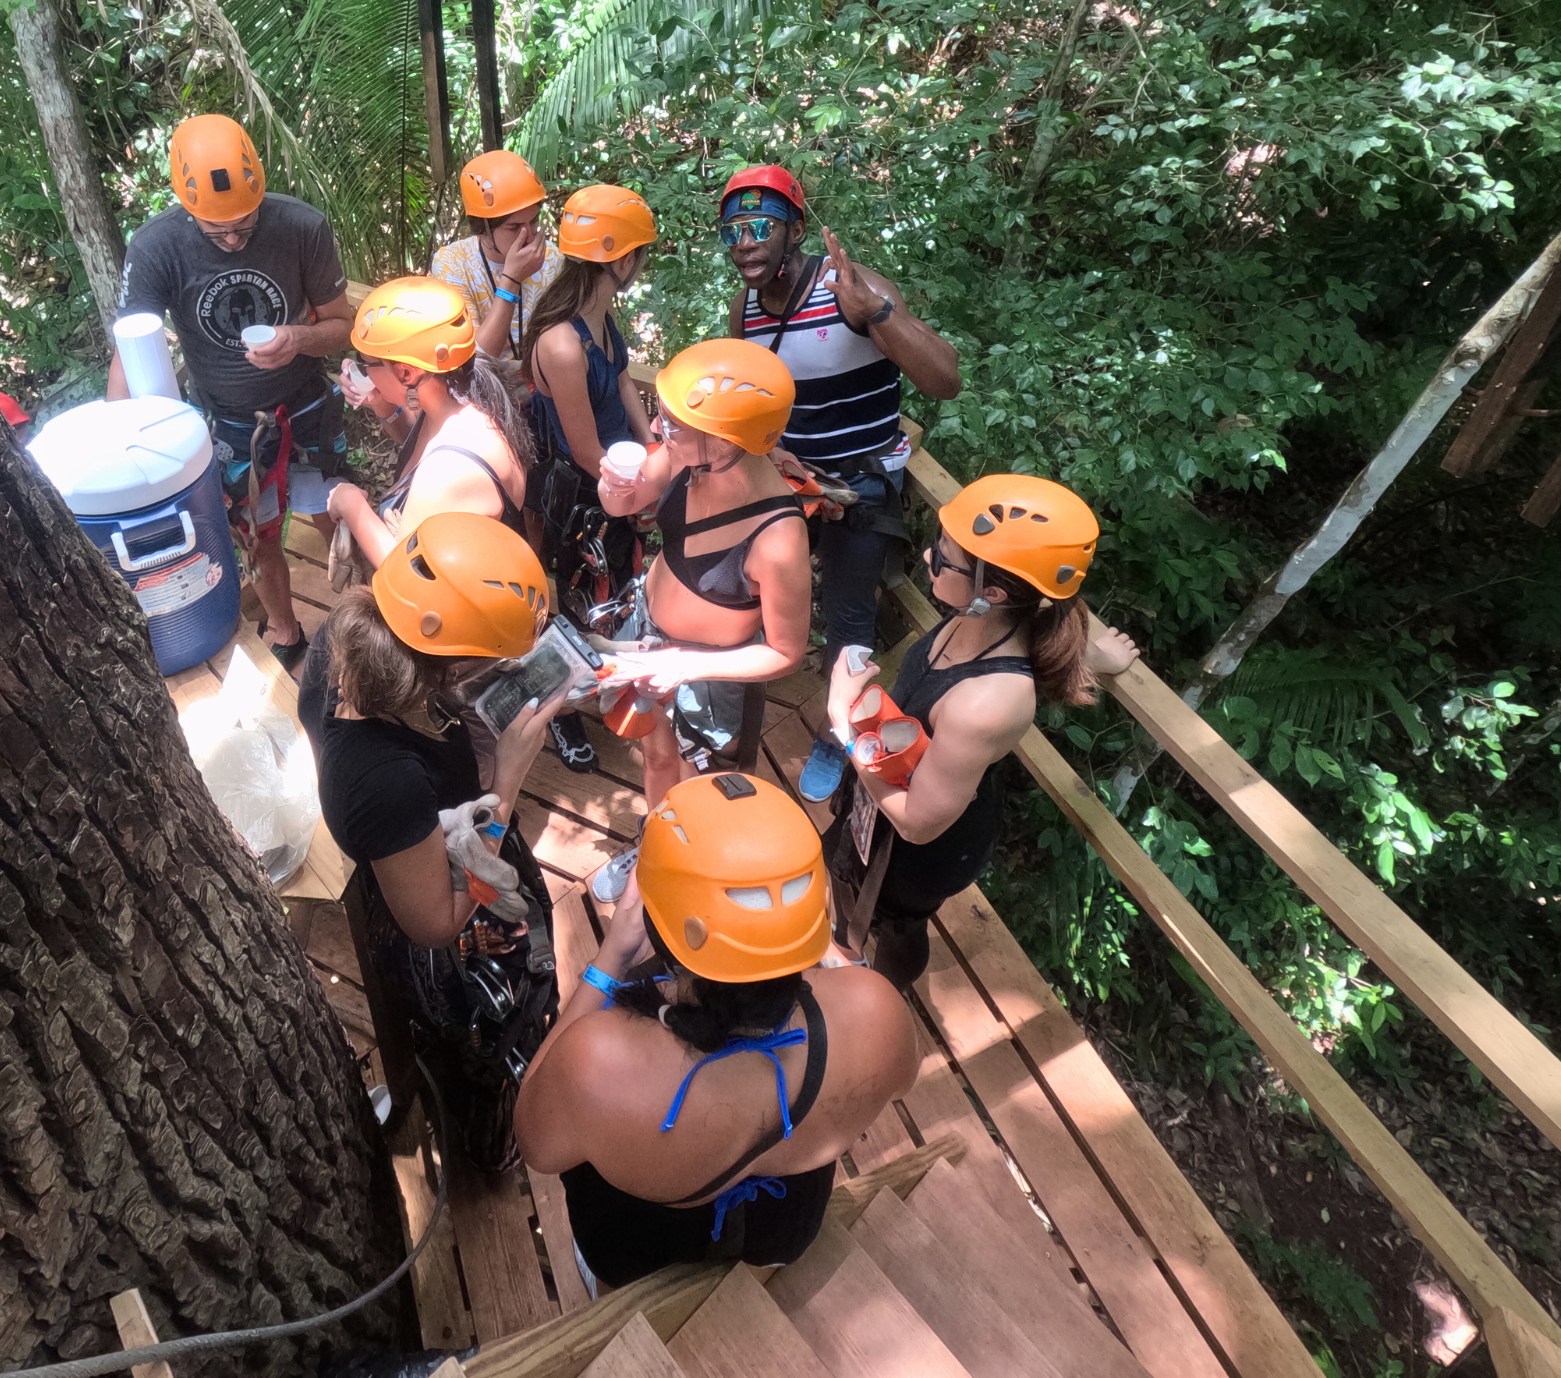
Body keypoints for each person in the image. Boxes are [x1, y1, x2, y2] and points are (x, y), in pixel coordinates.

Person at [514, 771, 921, 1291]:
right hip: (785, 1222)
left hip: (639, 1242)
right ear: (815, 911)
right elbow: (902, 1081)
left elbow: (535, 1142)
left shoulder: (597, 1062)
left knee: (630, 1286)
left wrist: (611, 957)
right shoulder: (877, 1010)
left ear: (656, 927)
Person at [298, 513, 567, 1169]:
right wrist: (507, 783)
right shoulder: (385, 781)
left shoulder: (344, 636)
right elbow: (439, 924)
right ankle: (490, 1139)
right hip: (443, 899)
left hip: (415, 839)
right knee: (488, 1028)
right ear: (453, 664)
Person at [821, 473, 1140, 985]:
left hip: (922, 834)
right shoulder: (994, 617)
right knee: (844, 873)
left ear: (991, 591)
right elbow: (1050, 638)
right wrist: (1096, 658)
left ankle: (884, 992)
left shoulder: (987, 703)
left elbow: (917, 823)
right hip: (891, 777)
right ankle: (846, 947)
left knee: (896, 921)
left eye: (944, 558)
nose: (929, 557)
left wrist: (843, 722)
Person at [716, 166, 962, 799]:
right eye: (733, 232)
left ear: (795, 230)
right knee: (750, 590)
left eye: (760, 227)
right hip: (791, 484)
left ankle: (835, 735)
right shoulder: (746, 309)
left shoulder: (851, 289)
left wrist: (875, 312)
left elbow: (944, 379)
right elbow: (754, 400)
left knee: (849, 617)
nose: (745, 243)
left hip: (859, 487)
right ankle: (736, 720)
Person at [112, 113, 352, 670]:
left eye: (244, 223)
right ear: (186, 206)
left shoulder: (300, 226)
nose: (234, 239)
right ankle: (286, 631)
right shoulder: (157, 246)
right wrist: (121, 439)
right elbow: (129, 347)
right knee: (257, 534)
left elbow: (342, 326)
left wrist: (299, 339)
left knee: (337, 515)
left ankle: (370, 615)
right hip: (231, 422)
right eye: (216, 230)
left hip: (306, 405)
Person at [587, 340, 813, 898]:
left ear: (727, 439)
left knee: (702, 786)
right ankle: (654, 847)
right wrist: (613, 484)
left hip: (704, 671)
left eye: (673, 421)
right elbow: (623, 502)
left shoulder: (779, 538)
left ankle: (690, 869)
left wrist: (684, 665)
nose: (658, 427)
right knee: (655, 751)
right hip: (648, 635)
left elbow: (786, 652)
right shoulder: (685, 455)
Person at [519, 183, 657, 772]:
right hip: (581, 492)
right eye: (640, 254)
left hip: (614, 480)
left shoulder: (599, 320)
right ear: (621, 260)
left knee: (610, 594)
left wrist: (653, 450)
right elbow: (583, 449)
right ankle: (562, 713)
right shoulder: (562, 343)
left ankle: (598, 684)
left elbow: (622, 381)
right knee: (573, 603)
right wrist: (641, 488)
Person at [326, 276, 534, 567]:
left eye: (365, 363)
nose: (361, 371)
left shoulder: (451, 468)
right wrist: (382, 403)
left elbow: (403, 572)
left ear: (406, 373)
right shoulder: (459, 398)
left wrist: (351, 504)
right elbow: (418, 447)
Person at [429, 150, 565, 372]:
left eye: (533, 221)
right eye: (514, 227)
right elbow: (477, 359)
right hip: (484, 385)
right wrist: (511, 280)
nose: (528, 235)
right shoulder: (452, 264)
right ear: (483, 228)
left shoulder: (552, 258)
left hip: (542, 383)